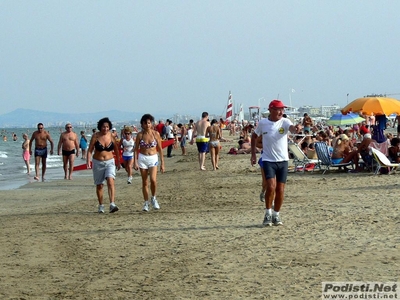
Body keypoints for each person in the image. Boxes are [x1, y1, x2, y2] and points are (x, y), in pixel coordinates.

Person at [250, 100, 297, 227]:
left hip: (283, 160)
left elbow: (292, 129)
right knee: (270, 186)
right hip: (268, 160)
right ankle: (268, 213)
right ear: (271, 110)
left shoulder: (285, 122)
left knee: (280, 189)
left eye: (282, 109)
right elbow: (254, 137)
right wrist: (253, 154)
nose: (281, 112)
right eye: (278, 109)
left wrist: (296, 128)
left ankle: (276, 214)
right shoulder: (263, 123)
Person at [87, 117, 121, 213]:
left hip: (110, 162)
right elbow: (90, 150)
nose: (105, 129)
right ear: (100, 127)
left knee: (110, 181)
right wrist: (88, 161)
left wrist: (118, 161)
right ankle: (101, 205)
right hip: (98, 162)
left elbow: (116, 150)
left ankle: (112, 204)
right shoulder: (95, 136)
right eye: (103, 127)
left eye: (107, 127)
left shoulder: (111, 136)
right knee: (99, 185)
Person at [134, 114, 165, 212]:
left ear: (151, 123)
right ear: (142, 124)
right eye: (145, 123)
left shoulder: (156, 134)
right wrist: (135, 162)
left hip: (153, 158)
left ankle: (154, 198)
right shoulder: (140, 135)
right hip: (142, 158)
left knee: (153, 180)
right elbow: (135, 150)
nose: (147, 125)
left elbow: (160, 149)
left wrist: (162, 163)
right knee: (144, 182)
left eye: (149, 123)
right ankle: (146, 202)